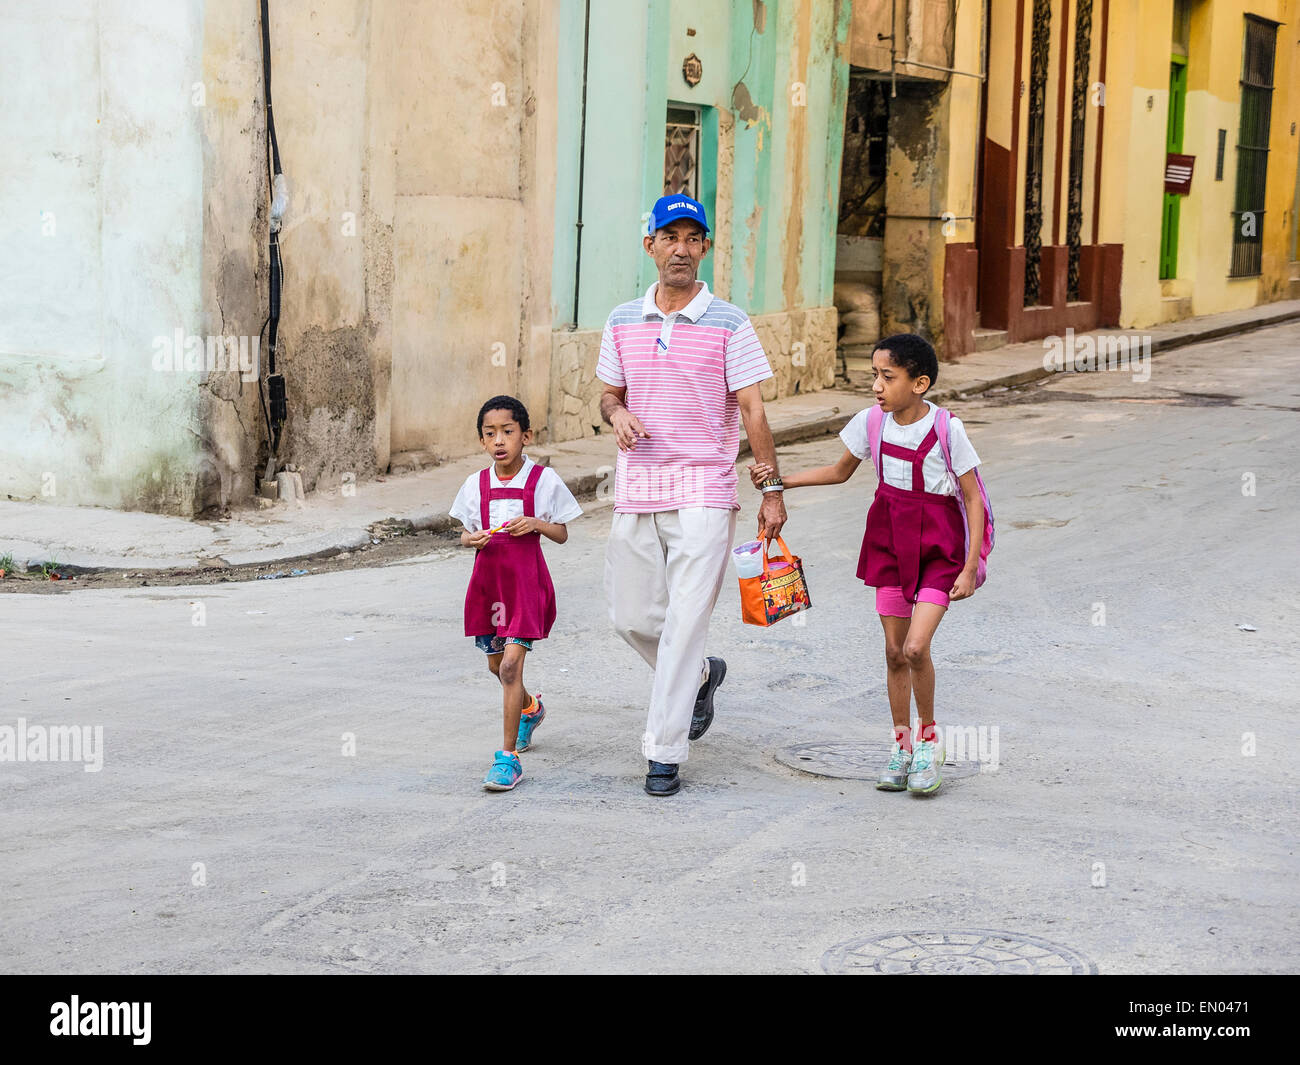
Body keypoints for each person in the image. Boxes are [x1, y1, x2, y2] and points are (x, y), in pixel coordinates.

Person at [598, 193, 787, 797]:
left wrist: (771, 485)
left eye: (692, 238)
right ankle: (702, 677)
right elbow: (608, 393)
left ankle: (663, 753)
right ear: (650, 244)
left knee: (684, 624)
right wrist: (617, 415)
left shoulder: (729, 321)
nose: (681, 248)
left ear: (704, 248)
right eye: (669, 236)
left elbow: (754, 407)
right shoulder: (622, 318)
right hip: (638, 486)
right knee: (629, 616)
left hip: (705, 488)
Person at [748, 334, 985, 795]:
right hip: (890, 543)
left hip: (939, 549)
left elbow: (973, 498)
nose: (876, 385)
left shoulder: (946, 429)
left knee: (917, 648)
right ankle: (901, 746)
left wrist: (971, 565)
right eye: (873, 375)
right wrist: (780, 482)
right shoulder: (871, 422)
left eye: (887, 377)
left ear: (919, 383)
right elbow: (839, 472)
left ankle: (929, 741)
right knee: (894, 652)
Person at [450, 395, 583, 791]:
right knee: (495, 666)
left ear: (525, 436)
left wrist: (537, 524)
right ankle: (529, 708)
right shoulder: (476, 484)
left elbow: (561, 533)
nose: (499, 441)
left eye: (508, 432)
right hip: (489, 585)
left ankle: (507, 760)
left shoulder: (543, 481)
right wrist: (468, 539)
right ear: (481, 442)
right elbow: (463, 532)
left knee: (510, 667)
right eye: (490, 434)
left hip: (525, 584)